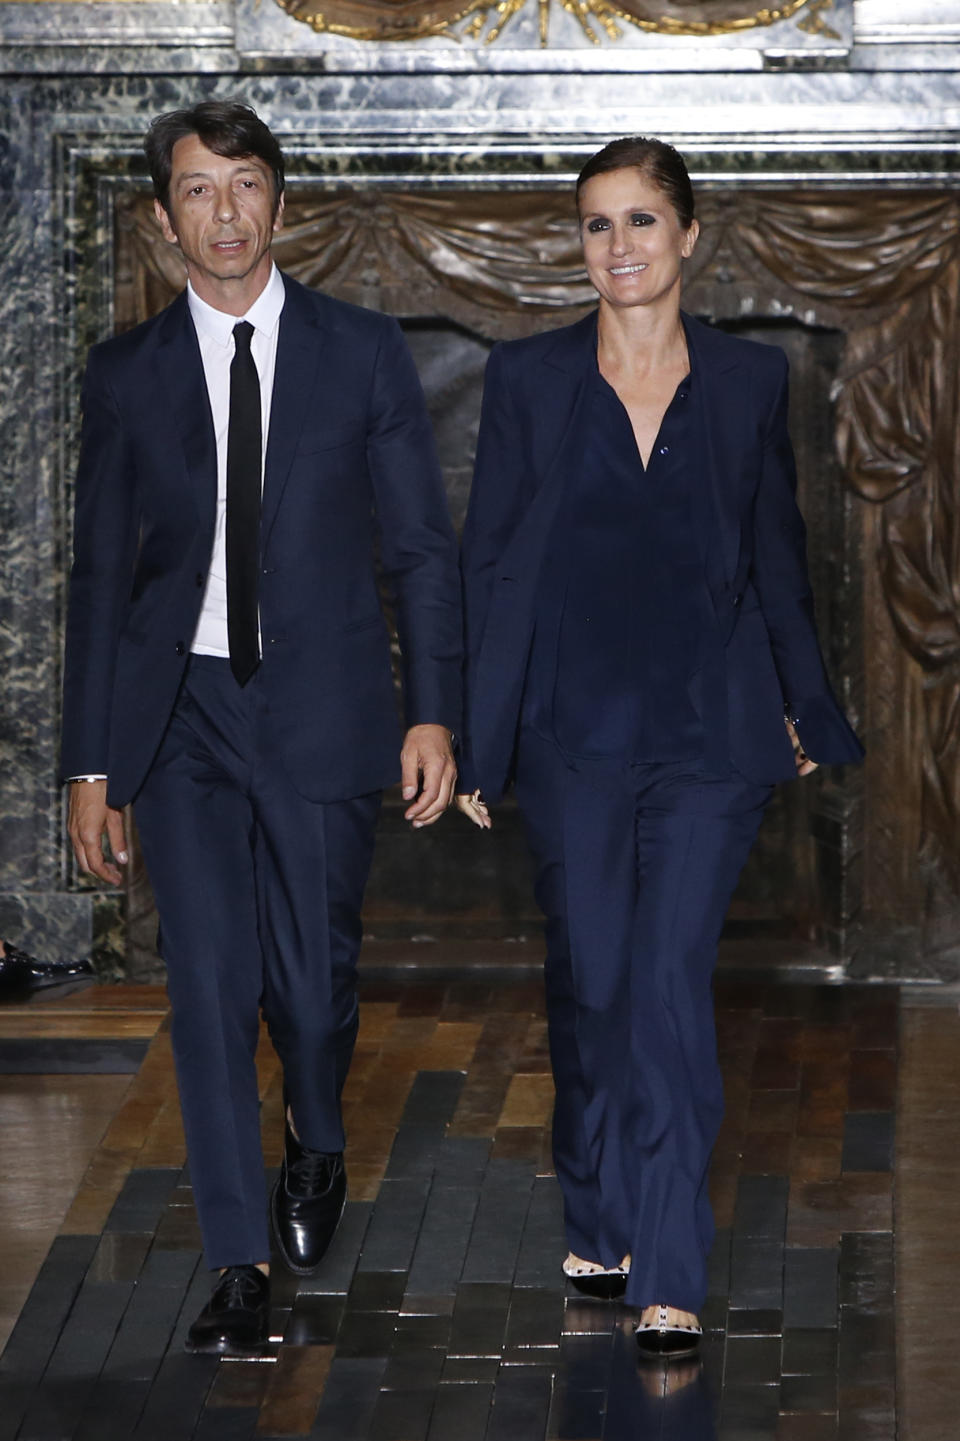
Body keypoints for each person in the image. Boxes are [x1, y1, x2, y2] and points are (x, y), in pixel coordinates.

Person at [62, 101, 461, 1356]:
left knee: (311, 989)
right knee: (209, 984)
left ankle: (319, 1133)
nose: (223, 212)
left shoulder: (362, 352)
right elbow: (97, 576)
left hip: (328, 708)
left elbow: (419, 549)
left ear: (282, 207)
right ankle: (236, 1258)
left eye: (244, 187)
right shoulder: (125, 375)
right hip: (181, 718)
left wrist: (434, 711)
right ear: (163, 215)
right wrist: (92, 760)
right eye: (196, 190)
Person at [456, 137, 863, 1359]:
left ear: (690, 236)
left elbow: (778, 558)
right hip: (572, 731)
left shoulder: (745, 382)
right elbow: (494, 566)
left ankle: (669, 1270)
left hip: (709, 735)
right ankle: (598, 1203)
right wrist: (480, 741)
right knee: (596, 984)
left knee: (669, 987)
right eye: (596, 226)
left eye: (641, 223)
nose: (619, 248)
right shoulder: (528, 381)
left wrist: (803, 702)